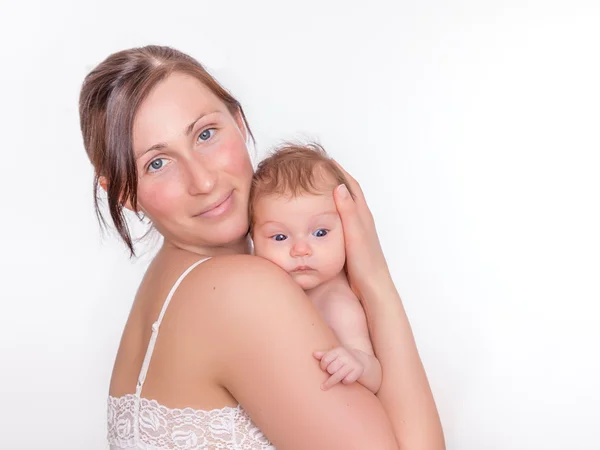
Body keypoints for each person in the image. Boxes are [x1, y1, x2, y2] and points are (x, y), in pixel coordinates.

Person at [79, 45, 445, 449]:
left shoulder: (169, 281)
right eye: (157, 163)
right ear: (125, 194)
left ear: (238, 122)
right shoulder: (240, 290)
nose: (202, 181)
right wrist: (374, 279)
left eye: (205, 134)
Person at [250, 143, 381, 394]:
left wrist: (357, 362)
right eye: (279, 237)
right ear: (253, 239)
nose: (300, 250)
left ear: (346, 229)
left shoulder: (338, 304)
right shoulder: (267, 288)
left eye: (320, 233)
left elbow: (375, 376)